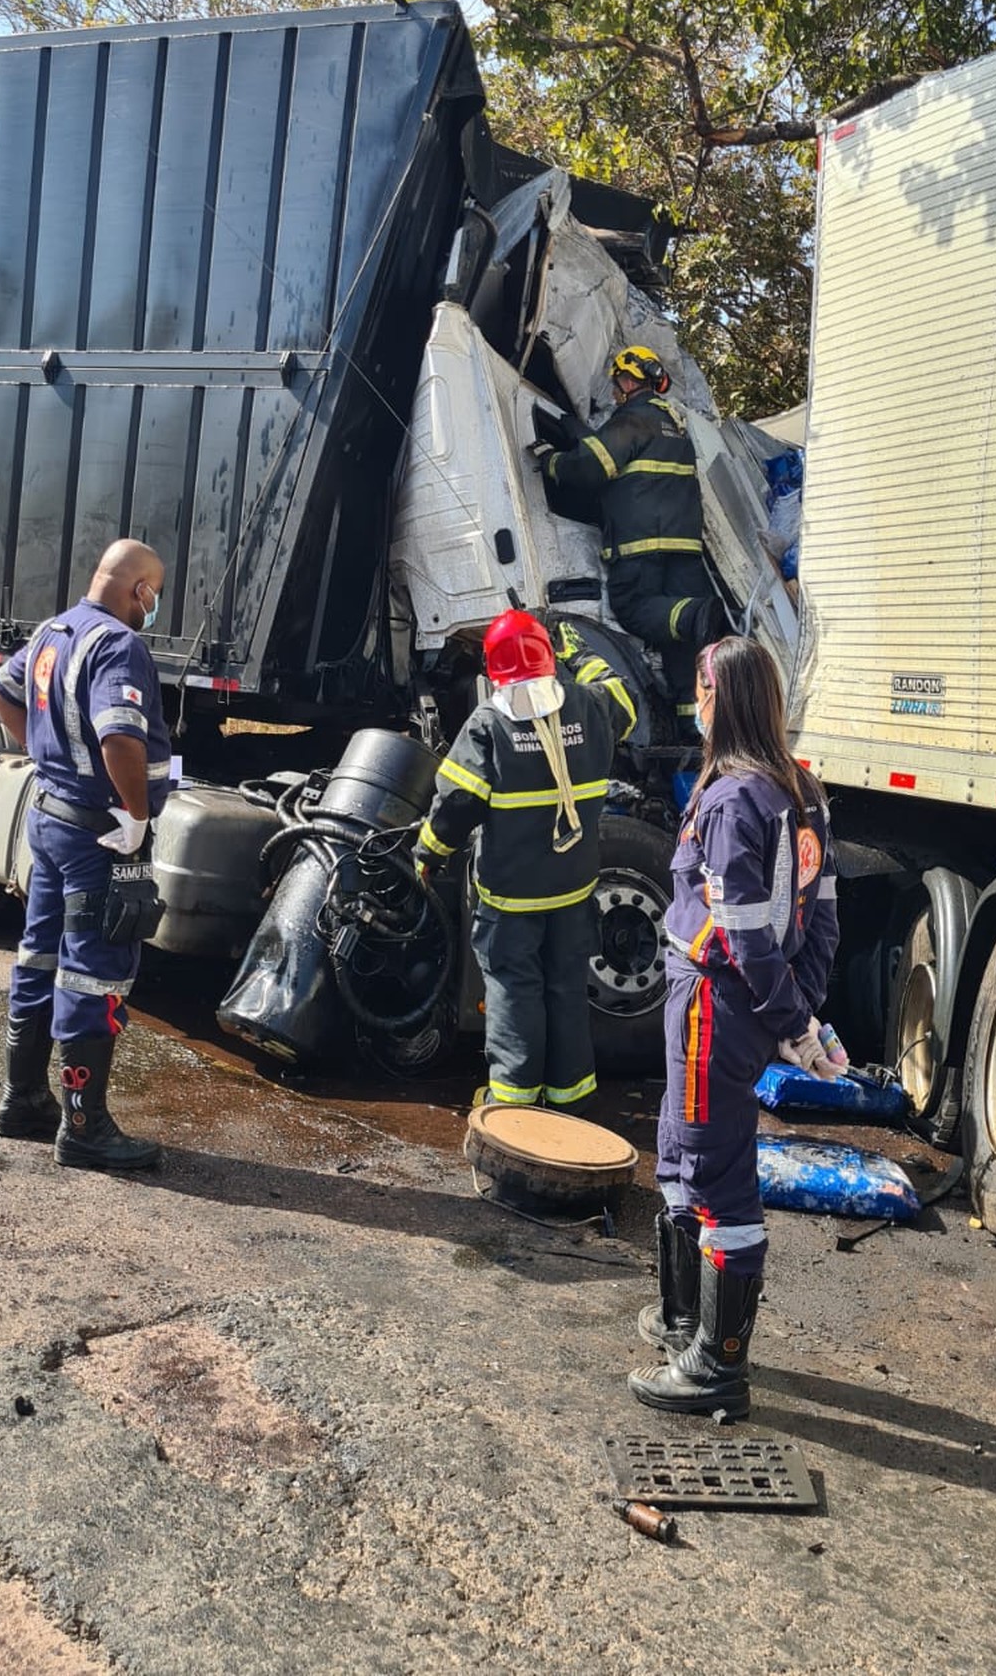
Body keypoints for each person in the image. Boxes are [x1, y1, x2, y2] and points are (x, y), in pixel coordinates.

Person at [627, 634, 843, 1419]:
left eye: (700, 689)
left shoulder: (728, 801)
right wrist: (796, 1012)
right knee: (683, 1150)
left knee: (715, 1175)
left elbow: (746, 931)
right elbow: (821, 919)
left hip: (713, 1007)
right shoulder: (801, 792)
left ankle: (717, 1363)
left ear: (721, 698)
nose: (696, 702)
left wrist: (787, 1016)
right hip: (739, 1009)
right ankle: (685, 1318)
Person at [0, 538, 173, 1172]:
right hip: (98, 832)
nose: (154, 605)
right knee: (94, 969)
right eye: (155, 593)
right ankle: (85, 1128)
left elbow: (1, 687)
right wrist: (137, 815)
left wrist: (50, 757)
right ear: (138, 590)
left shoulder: (52, 631)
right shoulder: (119, 645)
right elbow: (120, 735)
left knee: (40, 956)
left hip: (50, 820)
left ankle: (23, 1101)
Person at [414, 611, 637, 1112]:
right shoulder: (589, 707)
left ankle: (513, 1104)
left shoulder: (489, 726)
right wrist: (576, 651)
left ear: (493, 671)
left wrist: (427, 854)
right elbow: (623, 695)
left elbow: (454, 806)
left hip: (512, 896)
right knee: (564, 986)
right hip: (574, 887)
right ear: (548, 658)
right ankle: (570, 1100)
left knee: (516, 990)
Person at [538, 344, 724, 726]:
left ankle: (696, 614)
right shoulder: (674, 426)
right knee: (680, 648)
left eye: (617, 384)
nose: (615, 393)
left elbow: (591, 468)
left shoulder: (633, 421)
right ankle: (692, 727)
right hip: (685, 548)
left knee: (634, 608)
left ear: (626, 379)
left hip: (641, 548)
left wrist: (551, 462)